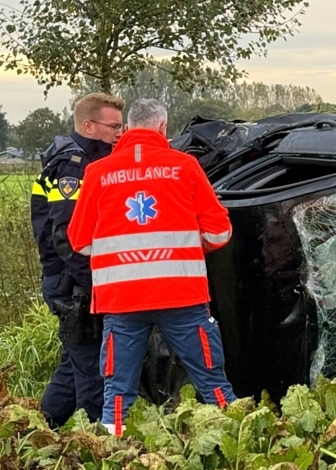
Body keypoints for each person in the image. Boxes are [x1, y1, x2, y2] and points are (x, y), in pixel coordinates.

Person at [68, 98, 236, 436]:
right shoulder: (185, 166)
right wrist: (186, 247)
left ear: (127, 128)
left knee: (116, 394)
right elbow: (219, 232)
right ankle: (239, 445)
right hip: (182, 296)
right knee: (212, 382)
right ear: (163, 127)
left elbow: (79, 241)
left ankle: (110, 459)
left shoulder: (97, 173)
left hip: (122, 300)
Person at [31, 92, 125, 428]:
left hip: (69, 278)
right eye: (113, 126)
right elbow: (67, 235)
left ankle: (41, 429)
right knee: (91, 366)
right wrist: (94, 281)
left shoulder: (83, 160)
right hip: (72, 280)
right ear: (89, 125)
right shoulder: (74, 166)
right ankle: (94, 442)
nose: (119, 133)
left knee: (73, 364)